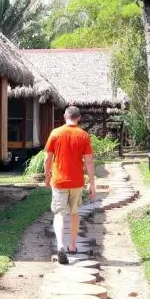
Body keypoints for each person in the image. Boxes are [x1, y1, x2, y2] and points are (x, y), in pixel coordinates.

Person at [44, 106, 96, 265]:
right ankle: (72, 245)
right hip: (77, 182)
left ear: (64, 116)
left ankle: (60, 246)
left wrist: (47, 176)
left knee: (59, 214)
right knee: (74, 213)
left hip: (59, 181)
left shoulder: (55, 133)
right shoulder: (83, 135)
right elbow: (88, 161)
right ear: (78, 118)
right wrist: (92, 183)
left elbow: (48, 158)